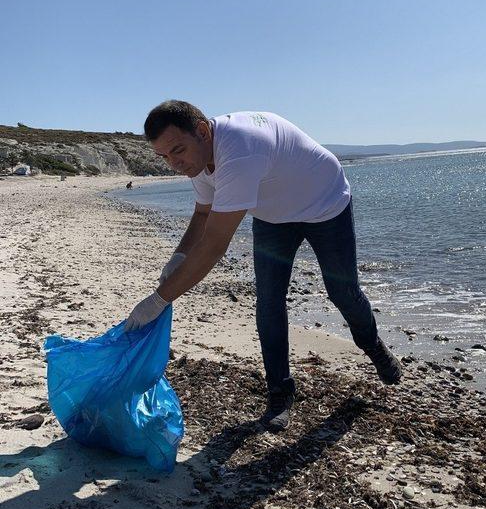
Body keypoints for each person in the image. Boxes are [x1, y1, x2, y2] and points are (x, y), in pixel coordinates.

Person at [125, 100, 402, 431]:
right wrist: (180, 256)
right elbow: (202, 214)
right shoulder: (199, 158)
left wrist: (158, 300)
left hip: (325, 204)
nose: (173, 163)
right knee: (269, 302)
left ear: (201, 131)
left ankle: (373, 346)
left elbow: (214, 245)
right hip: (274, 218)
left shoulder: (240, 151)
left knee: (342, 292)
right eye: (164, 157)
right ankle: (279, 394)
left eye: (177, 151)